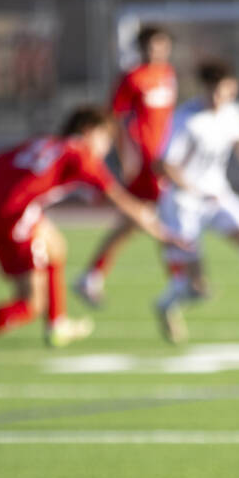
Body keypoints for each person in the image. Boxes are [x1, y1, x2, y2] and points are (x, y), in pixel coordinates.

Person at [0, 106, 179, 370]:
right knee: (30, 303)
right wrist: (162, 234)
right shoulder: (82, 155)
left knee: (56, 246)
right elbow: (121, 201)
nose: (107, 147)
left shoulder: (45, 142)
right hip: (15, 216)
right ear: (89, 131)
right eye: (105, 138)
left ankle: (57, 323)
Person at [153, 59, 239, 345]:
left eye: (225, 93)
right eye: (213, 93)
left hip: (218, 196)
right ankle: (165, 305)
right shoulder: (185, 119)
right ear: (204, 90)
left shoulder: (233, 113)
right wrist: (194, 189)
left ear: (233, 89)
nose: (219, 99)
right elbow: (163, 164)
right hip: (183, 204)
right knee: (197, 289)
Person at [73, 25, 177, 308]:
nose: (157, 51)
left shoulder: (168, 74)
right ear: (142, 48)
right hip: (144, 162)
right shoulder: (132, 78)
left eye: (162, 45)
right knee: (157, 219)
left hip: (164, 161)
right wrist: (125, 157)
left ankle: (91, 276)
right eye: (151, 46)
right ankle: (178, 284)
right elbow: (114, 121)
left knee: (136, 222)